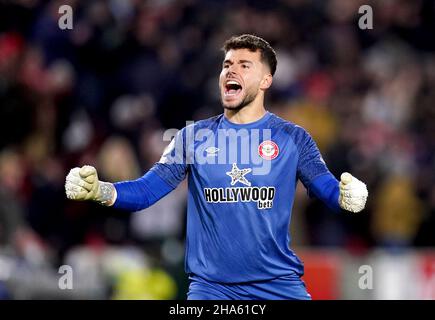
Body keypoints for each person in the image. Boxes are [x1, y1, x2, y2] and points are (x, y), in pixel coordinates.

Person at [65, 34, 368, 300]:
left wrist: (345, 195)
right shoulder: (192, 138)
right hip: (212, 289)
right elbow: (147, 190)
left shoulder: (293, 138)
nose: (230, 71)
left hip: (278, 285)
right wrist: (101, 190)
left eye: (244, 65)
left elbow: (325, 185)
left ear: (266, 81)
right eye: (227, 65)